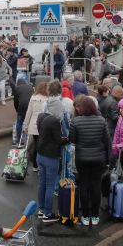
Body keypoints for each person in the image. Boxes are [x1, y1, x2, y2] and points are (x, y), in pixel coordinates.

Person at [70, 95, 110, 226]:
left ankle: (86, 217)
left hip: (82, 158)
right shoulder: (102, 120)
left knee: (84, 186)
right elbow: (106, 141)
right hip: (98, 158)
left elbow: (72, 139)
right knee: (96, 186)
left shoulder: (76, 121)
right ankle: (95, 216)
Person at [36, 91, 68, 222]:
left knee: (42, 183)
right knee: (50, 185)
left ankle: (42, 209)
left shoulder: (42, 117)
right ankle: (48, 214)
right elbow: (59, 140)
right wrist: (67, 139)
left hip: (40, 155)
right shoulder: (54, 121)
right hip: (50, 157)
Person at [23, 81, 49, 172]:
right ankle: (42, 165)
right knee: (43, 146)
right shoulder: (48, 99)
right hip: (44, 125)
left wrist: (25, 126)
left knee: (36, 145)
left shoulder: (33, 98)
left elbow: (28, 113)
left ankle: (35, 165)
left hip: (34, 126)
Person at [13, 78, 33, 144]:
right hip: (30, 106)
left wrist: (17, 111)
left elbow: (15, 102)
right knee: (28, 123)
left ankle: (19, 140)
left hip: (21, 107)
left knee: (19, 123)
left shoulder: (17, 88)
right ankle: (28, 140)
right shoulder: (30, 87)